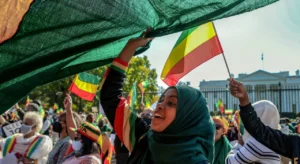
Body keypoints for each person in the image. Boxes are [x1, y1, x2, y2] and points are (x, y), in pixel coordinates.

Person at [100, 29, 215, 163]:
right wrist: (131, 46)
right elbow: (110, 96)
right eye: (161, 100)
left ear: (188, 117)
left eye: (171, 103)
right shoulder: (144, 139)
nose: (160, 105)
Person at [229, 78, 300, 163]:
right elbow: (259, 130)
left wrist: (239, 144)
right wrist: (244, 98)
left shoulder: (256, 145)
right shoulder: (295, 142)